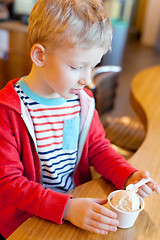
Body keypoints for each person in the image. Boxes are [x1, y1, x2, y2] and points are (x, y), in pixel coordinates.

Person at [0, 0, 160, 238]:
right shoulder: (8, 110)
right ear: (39, 55)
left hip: (77, 208)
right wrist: (66, 208)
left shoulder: (81, 101)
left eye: (92, 67)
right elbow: (8, 183)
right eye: (76, 66)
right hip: (27, 222)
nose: (87, 79)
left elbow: (98, 148)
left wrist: (127, 174)